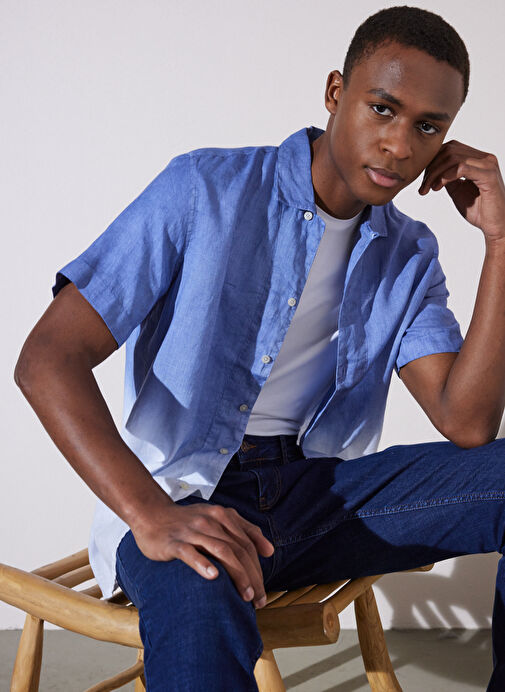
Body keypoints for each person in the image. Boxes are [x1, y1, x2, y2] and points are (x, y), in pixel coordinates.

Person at [13, 4, 505, 690]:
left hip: (316, 498)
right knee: (196, 594)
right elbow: (46, 359)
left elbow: (468, 423)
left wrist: (499, 241)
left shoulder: (408, 253)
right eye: (382, 108)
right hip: (180, 495)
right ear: (335, 92)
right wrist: (151, 514)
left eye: (428, 126)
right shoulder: (204, 189)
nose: (400, 145)